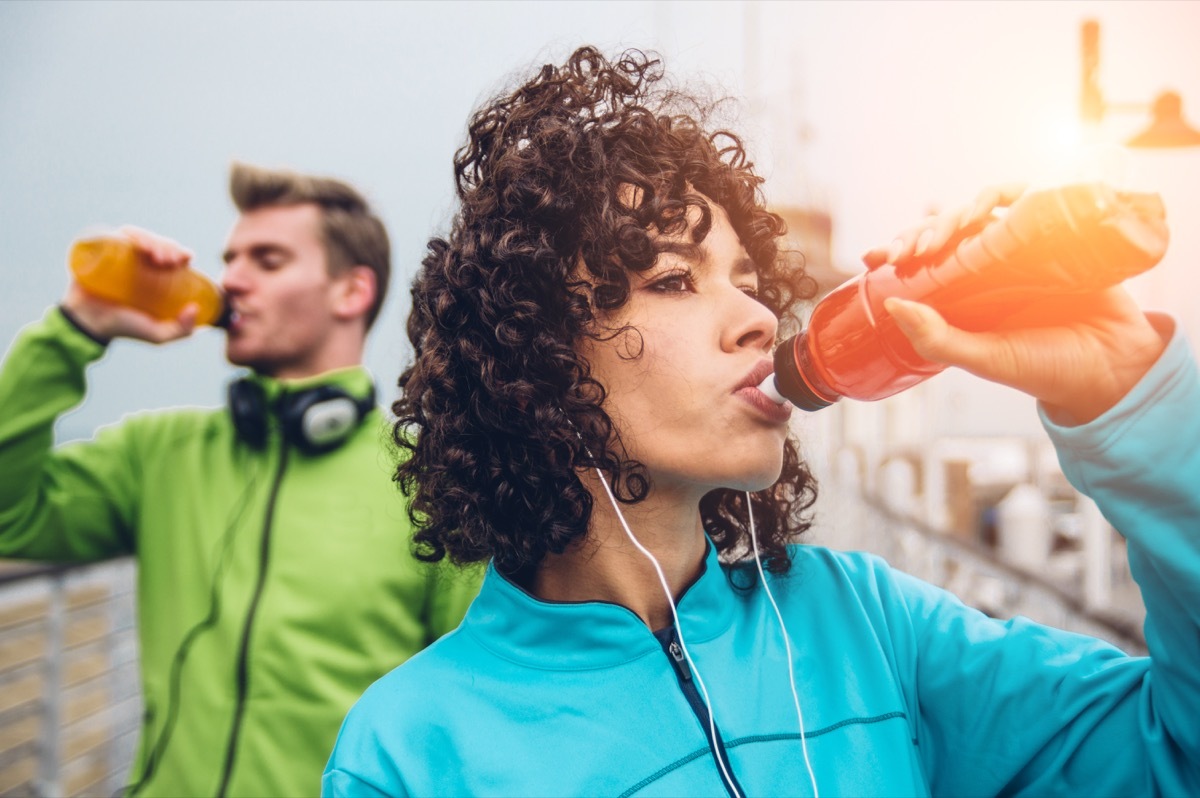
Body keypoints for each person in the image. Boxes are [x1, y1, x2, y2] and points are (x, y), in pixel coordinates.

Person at [323, 46, 1200, 797]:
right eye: (674, 278)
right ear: (532, 355)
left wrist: (1133, 399)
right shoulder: (412, 749)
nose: (753, 315)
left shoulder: (870, 626)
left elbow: (1176, 754)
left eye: (747, 276)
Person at [0, 163, 481, 797]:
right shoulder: (158, 453)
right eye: (230, 259)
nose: (231, 280)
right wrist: (77, 326)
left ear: (352, 292)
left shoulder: (427, 481)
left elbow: (468, 711)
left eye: (268, 259)